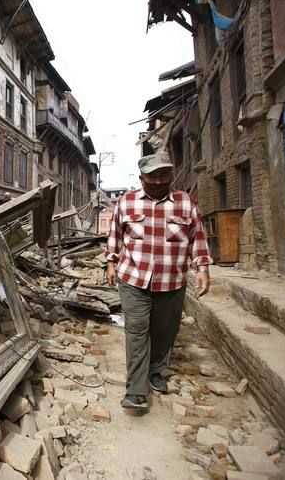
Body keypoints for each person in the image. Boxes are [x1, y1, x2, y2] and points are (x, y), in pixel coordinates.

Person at [104, 152, 212, 409]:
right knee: (137, 329)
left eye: (163, 175)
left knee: (165, 331)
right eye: (152, 176)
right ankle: (136, 391)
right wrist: (110, 263)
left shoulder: (187, 204)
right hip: (133, 278)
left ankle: (155, 370)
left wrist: (203, 269)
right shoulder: (126, 203)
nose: (158, 181)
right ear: (141, 178)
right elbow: (115, 235)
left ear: (170, 175)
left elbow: (198, 238)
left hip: (172, 280)